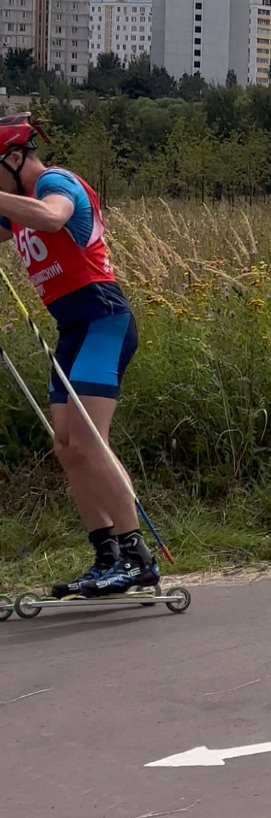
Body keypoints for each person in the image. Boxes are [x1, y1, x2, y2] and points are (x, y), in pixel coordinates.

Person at [0, 115, 152, 597]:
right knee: (67, 448)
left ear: (16, 158)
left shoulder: (54, 182)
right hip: (72, 330)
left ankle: (136, 557)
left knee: (89, 442)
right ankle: (105, 554)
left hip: (103, 318)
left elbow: (53, 217)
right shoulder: (18, 209)